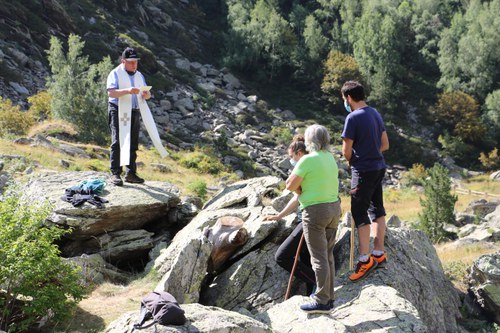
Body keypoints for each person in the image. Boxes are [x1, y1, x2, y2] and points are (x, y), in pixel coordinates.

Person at [286, 124, 341, 314]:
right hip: (334, 208)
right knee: (328, 255)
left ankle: (321, 300)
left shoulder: (308, 160)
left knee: (318, 257)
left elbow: (290, 185)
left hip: (315, 211)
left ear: (309, 141)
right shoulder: (330, 158)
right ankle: (330, 297)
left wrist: (301, 189)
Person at [341, 80, 389, 282]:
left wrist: (355, 160)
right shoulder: (375, 113)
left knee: (359, 213)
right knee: (377, 209)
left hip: (362, 171)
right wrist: (371, 153)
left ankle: (364, 259)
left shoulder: (352, 117)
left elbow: (346, 151)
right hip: (379, 166)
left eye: (344, 99)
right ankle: (379, 252)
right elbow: (385, 144)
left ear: (349, 98)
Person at [262, 135, 316, 296]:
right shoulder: (313, 166)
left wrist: (279, 216)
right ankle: (312, 296)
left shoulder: (305, 168)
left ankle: (319, 284)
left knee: (282, 256)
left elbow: (295, 193)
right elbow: (297, 197)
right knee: (306, 260)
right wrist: (279, 216)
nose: (291, 160)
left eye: (291, 156)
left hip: (308, 218)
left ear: (299, 153)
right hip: (311, 217)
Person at [106, 47, 151, 186]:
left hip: (134, 110)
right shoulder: (115, 73)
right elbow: (111, 93)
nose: (134, 64)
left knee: (132, 142)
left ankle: (131, 173)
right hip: (118, 109)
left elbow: (147, 94)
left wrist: (146, 95)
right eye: (131, 62)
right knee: (118, 141)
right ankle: (115, 173)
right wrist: (128, 91)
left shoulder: (139, 75)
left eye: (136, 62)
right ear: (123, 61)